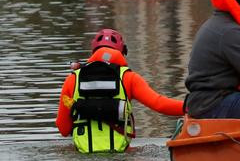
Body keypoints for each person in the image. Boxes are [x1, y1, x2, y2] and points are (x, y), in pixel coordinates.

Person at [56, 28, 184, 153]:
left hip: (83, 160)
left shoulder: (73, 79)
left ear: (93, 51)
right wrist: (192, 106)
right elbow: (160, 104)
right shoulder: (129, 78)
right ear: (122, 51)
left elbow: (63, 129)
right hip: (121, 158)